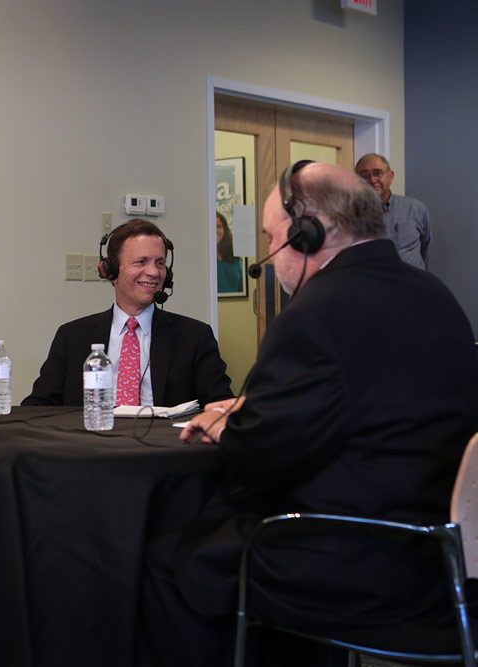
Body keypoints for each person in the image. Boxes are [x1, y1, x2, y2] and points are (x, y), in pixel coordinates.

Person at [141, 162, 478, 666]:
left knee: (170, 559)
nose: (270, 253)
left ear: (308, 231)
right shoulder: (435, 295)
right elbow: (374, 399)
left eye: (271, 237)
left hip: (358, 561)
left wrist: (234, 424)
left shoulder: (318, 310)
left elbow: (257, 462)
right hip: (440, 557)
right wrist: (266, 405)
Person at [22, 218, 233, 408]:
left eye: (160, 263)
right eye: (141, 262)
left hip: (165, 439)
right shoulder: (72, 336)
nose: (153, 272)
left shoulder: (194, 336)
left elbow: (222, 405)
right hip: (91, 437)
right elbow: (38, 407)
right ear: (110, 270)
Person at [355, 152, 432, 269]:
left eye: (377, 173)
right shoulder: (349, 214)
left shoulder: (415, 209)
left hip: (411, 280)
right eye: (365, 175)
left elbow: (426, 249)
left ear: (390, 176)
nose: (372, 180)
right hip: (370, 279)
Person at [215, 211, 243, 294]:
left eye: (218, 226)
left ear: (224, 229)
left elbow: (241, 288)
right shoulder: (202, 259)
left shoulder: (235, 257)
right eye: (211, 227)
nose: (215, 230)